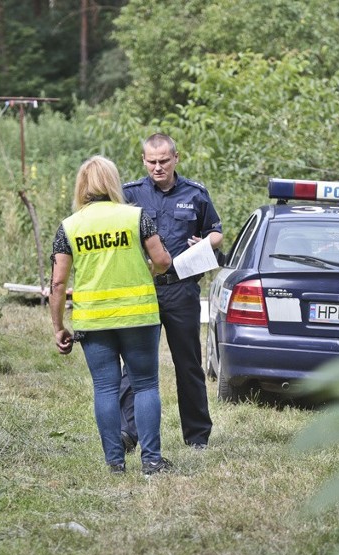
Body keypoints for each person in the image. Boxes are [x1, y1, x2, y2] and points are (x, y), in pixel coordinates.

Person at [49, 155, 173, 475]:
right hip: (138, 317)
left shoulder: (70, 226)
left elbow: (58, 282)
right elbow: (162, 260)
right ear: (113, 182)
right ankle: (151, 460)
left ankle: (115, 463)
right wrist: (151, 270)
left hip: (93, 321)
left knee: (104, 389)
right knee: (145, 386)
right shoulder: (136, 217)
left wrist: (58, 326)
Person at [119, 133, 223, 451]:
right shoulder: (129, 194)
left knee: (188, 363)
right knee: (136, 362)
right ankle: (128, 433)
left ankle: (197, 436)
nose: (158, 167)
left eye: (164, 160)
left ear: (176, 158)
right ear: (143, 160)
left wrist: (207, 243)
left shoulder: (196, 193)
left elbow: (216, 232)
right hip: (144, 289)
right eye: (152, 161)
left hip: (181, 290)